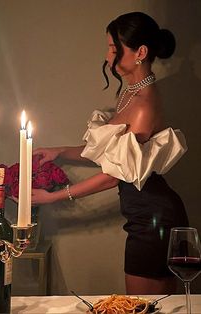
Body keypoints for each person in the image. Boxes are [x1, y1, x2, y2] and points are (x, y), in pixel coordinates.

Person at [32, 12, 189, 294]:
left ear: (140, 52)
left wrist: (53, 197)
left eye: (114, 49)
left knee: (142, 307)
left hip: (153, 218)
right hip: (145, 215)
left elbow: (114, 175)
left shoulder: (143, 104)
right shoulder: (130, 94)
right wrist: (59, 152)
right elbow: (113, 155)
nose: (107, 57)